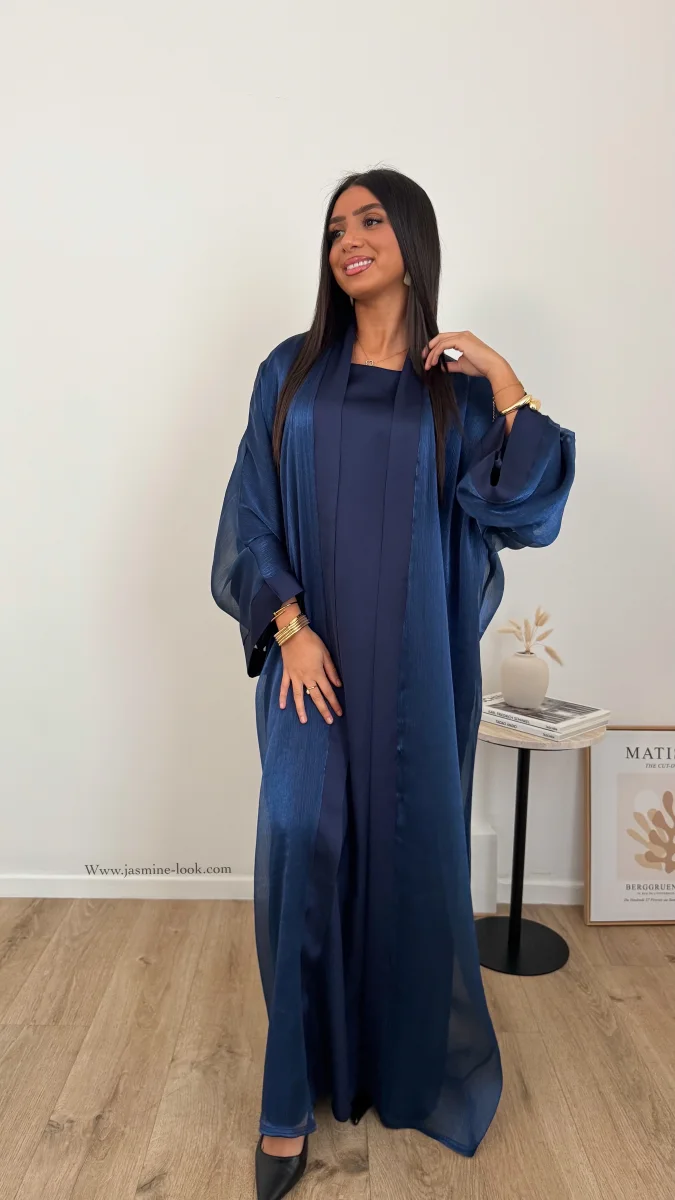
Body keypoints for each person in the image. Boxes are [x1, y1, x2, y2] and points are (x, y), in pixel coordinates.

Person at [210, 166, 575, 1200]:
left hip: (416, 669)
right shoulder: (289, 372)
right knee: (301, 838)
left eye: (370, 220)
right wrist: (289, 626)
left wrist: (503, 377)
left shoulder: (452, 393)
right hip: (312, 662)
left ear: (412, 239)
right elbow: (248, 514)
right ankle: (289, 1104)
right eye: (335, 228)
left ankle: (400, 1065)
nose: (348, 240)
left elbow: (525, 510)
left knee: (406, 859)